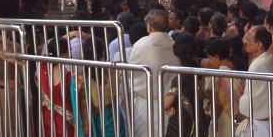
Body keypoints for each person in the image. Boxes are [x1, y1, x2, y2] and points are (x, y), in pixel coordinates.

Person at [128, 9, 180, 137]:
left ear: (149, 26)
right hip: (169, 102)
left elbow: (130, 74)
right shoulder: (174, 43)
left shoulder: (141, 45)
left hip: (147, 102)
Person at [70, 37, 123, 137]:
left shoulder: (78, 80)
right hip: (115, 125)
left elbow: (78, 116)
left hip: (94, 128)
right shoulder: (113, 72)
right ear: (102, 53)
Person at [237, 27, 273, 137]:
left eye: (248, 40)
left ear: (259, 45)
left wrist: (240, 110)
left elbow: (249, 98)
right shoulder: (268, 58)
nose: (244, 42)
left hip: (262, 123)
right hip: (270, 118)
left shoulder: (259, 65)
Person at [163, 33, 207, 137]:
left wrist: (167, 108)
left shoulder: (180, 77)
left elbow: (165, 104)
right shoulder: (197, 71)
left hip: (181, 125)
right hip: (198, 122)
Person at [204, 39, 244, 136]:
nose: (210, 61)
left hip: (226, 116)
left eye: (210, 58)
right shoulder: (235, 63)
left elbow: (218, 104)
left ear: (217, 56)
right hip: (239, 115)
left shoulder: (222, 72)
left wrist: (213, 118)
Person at [39, 37, 75, 137]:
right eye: (69, 51)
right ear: (62, 55)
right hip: (65, 118)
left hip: (47, 113)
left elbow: (51, 47)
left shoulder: (42, 66)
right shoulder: (69, 76)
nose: (70, 53)